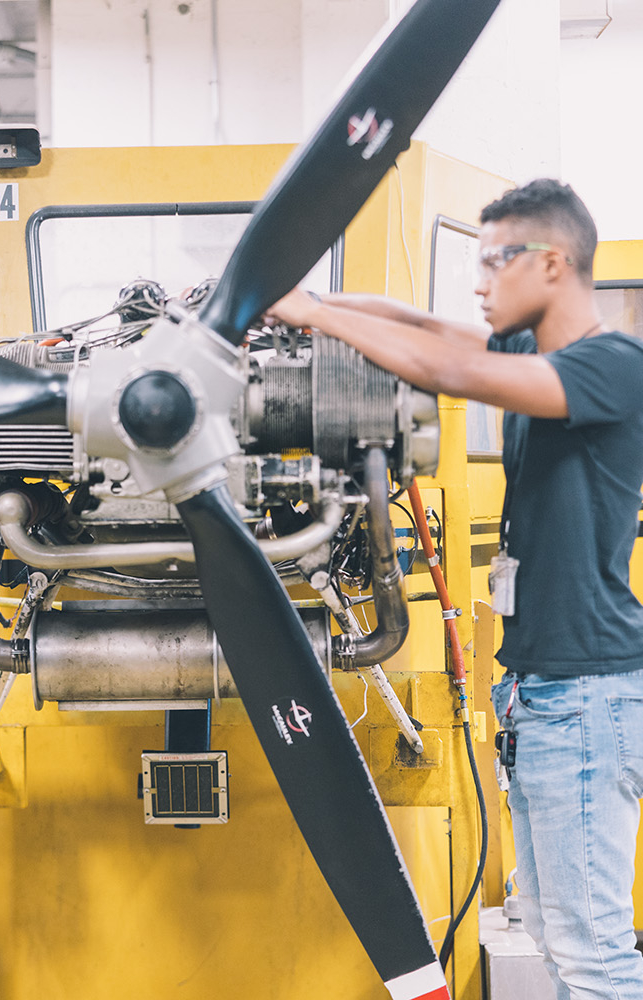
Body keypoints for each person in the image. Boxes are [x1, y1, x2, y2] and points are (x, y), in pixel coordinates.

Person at [266, 178, 643, 1000]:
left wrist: (316, 316)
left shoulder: (613, 367)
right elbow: (427, 329)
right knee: (551, 925)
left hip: (589, 693)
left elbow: (448, 366)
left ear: (550, 262)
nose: (478, 283)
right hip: (546, 691)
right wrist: (311, 301)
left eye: (491, 262)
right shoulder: (529, 350)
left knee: (591, 945)